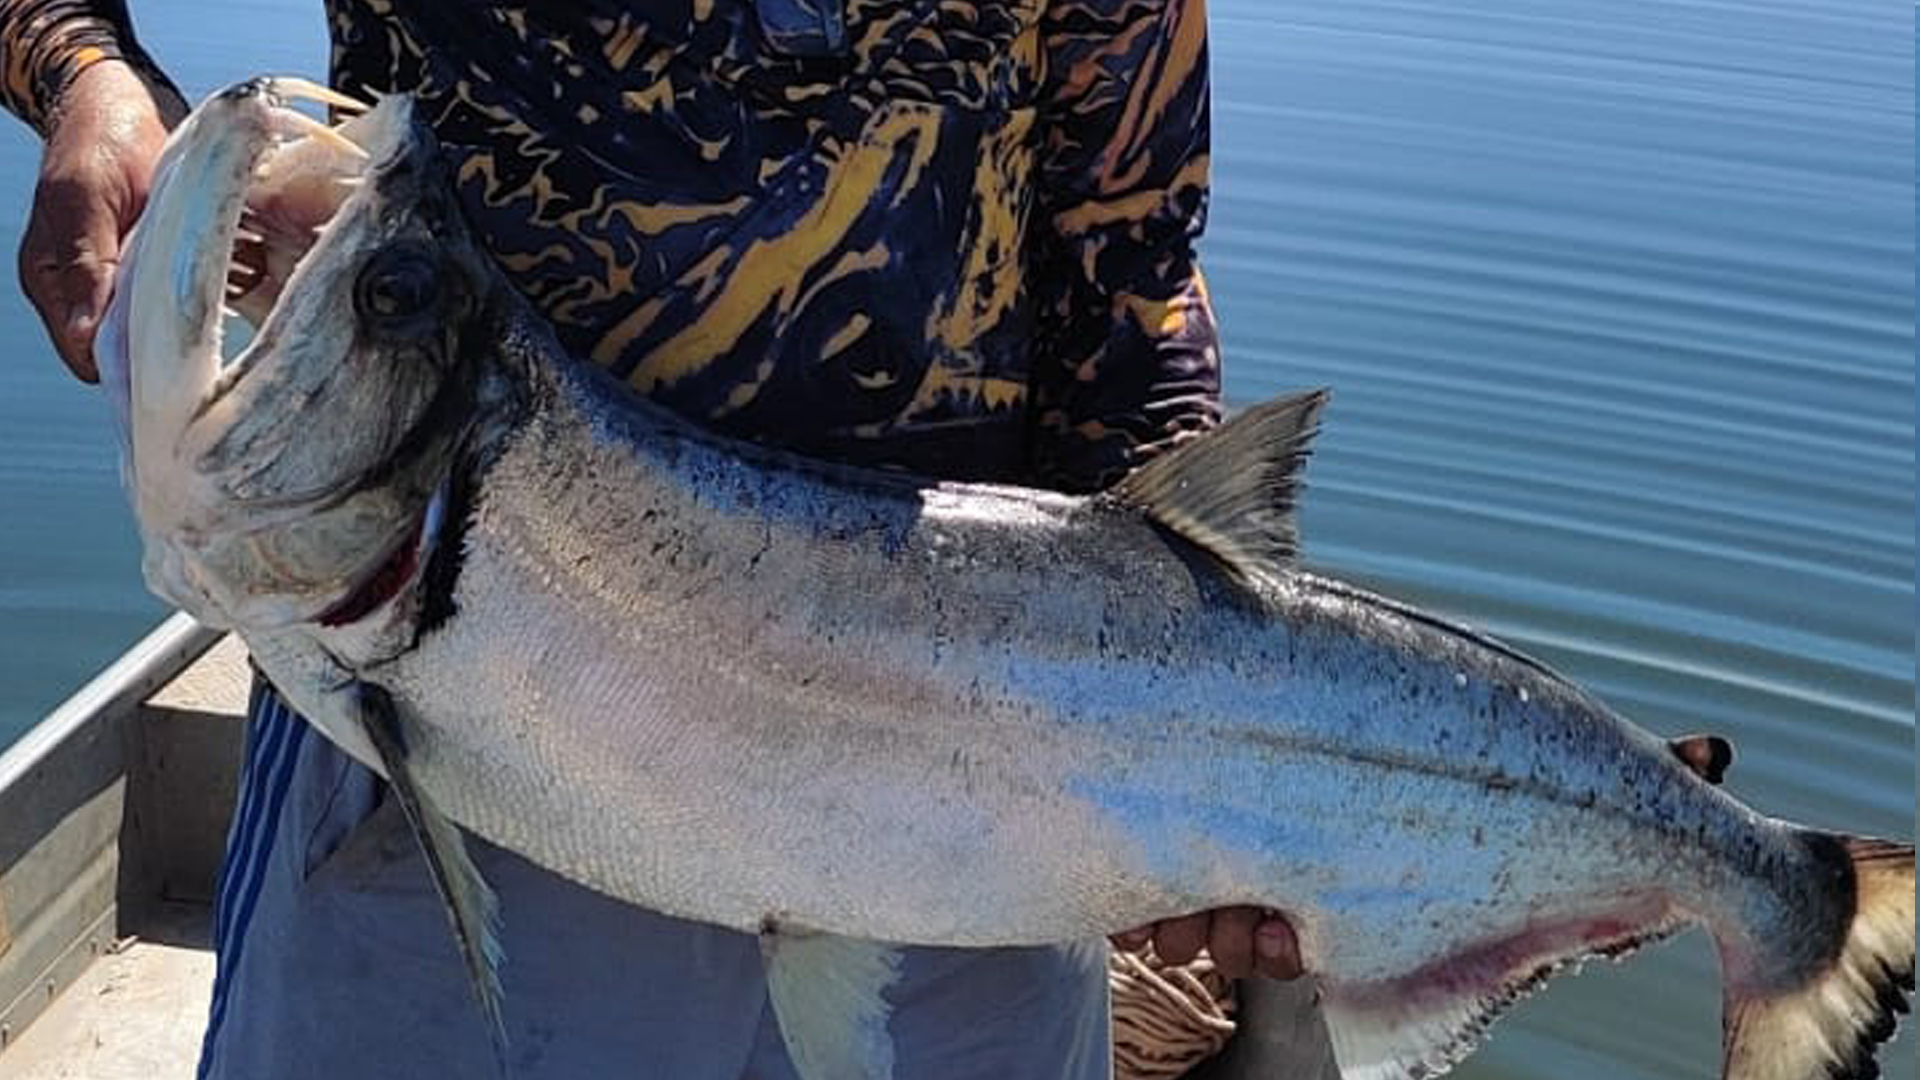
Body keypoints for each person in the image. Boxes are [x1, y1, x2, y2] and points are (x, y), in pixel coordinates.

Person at [4, 1, 1306, 1076]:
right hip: (448, 741)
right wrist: (87, 78)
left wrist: (1212, 729)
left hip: (976, 787)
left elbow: (1126, 277)